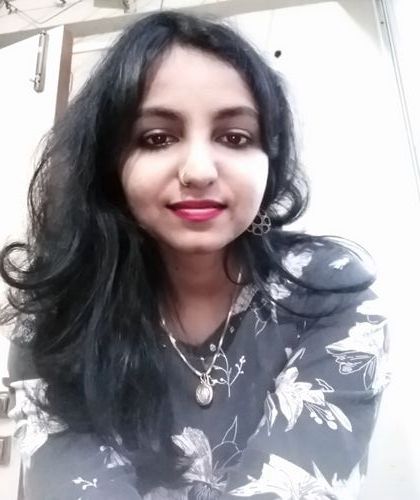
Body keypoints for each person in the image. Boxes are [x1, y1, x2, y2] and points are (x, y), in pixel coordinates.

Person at [0, 10, 390, 500]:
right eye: (157, 138)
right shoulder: (56, 316)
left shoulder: (330, 292)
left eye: (235, 137)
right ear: (109, 166)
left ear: (269, 160)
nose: (199, 170)